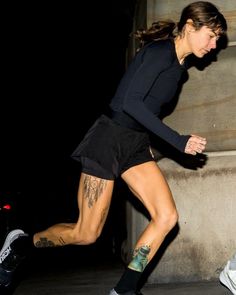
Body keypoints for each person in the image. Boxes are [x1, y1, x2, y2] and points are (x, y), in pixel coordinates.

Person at [0, 1, 227, 294]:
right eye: (211, 35)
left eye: (218, 39)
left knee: (166, 216)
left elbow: (147, 112)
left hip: (134, 144)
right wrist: (177, 140)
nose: (214, 44)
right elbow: (131, 104)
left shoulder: (178, 69)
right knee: (86, 233)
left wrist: (150, 144)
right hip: (109, 139)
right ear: (189, 26)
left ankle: (125, 289)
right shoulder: (160, 53)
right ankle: (20, 245)